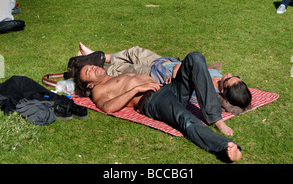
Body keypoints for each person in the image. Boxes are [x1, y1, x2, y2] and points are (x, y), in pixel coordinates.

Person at [75, 51, 243, 162]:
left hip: (166, 87)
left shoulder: (114, 74)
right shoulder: (99, 90)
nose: (93, 68)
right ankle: (223, 147)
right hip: (153, 100)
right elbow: (107, 107)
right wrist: (136, 90)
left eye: (91, 66)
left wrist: (167, 82)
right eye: (88, 72)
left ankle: (215, 117)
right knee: (185, 119)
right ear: (89, 85)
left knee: (194, 58)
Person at [75, 43, 252, 111]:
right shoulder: (217, 75)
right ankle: (98, 56)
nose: (227, 74)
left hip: (153, 75)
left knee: (118, 69)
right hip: (163, 62)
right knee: (134, 51)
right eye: (233, 75)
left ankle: (91, 66)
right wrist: (179, 65)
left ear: (223, 89)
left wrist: (177, 73)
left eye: (228, 79)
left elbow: (181, 87)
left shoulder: (205, 90)